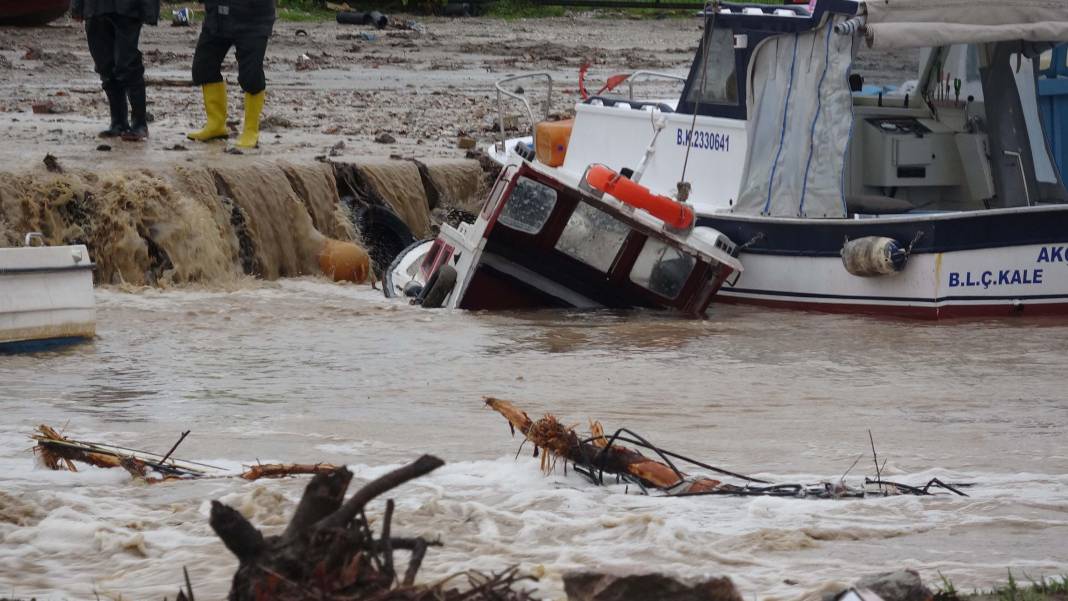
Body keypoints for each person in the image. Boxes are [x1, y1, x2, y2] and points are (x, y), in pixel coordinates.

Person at [187, 0, 276, 149]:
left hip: (253, 20)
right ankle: (216, 125)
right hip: (218, 17)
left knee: (251, 76)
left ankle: (250, 130)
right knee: (203, 67)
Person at [71, 0, 160, 141]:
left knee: (127, 64)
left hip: (127, 8)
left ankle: (139, 123)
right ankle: (118, 122)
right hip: (94, 9)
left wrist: (149, 9)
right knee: (104, 64)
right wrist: (77, 7)